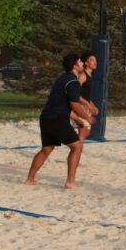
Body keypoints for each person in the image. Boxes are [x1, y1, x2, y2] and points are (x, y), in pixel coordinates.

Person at [25, 54, 95, 189]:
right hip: (57, 119)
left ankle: (30, 179)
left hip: (46, 118)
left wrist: (76, 119)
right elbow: (74, 105)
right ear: (75, 66)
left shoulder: (62, 79)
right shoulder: (73, 82)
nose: (82, 64)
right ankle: (70, 182)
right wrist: (87, 118)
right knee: (77, 147)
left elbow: (60, 103)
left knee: (46, 149)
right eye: (80, 62)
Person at [70, 51, 100, 141]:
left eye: (95, 60)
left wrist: (92, 105)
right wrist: (88, 104)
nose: (95, 62)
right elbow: (75, 94)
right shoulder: (83, 76)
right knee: (83, 131)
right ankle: (76, 148)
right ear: (86, 63)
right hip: (80, 106)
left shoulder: (90, 76)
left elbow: (85, 95)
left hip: (85, 106)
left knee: (86, 132)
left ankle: (75, 145)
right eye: (92, 60)